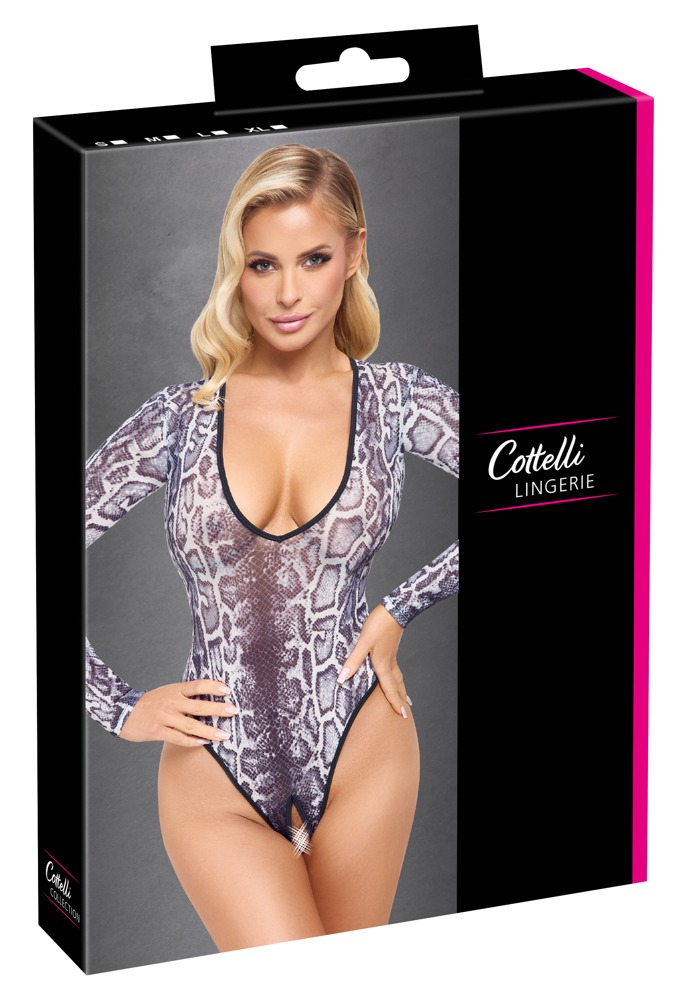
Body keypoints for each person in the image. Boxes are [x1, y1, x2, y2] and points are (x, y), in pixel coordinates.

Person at [85, 144, 458, 951]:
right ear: (238, 269)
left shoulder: (396, 401)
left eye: (314, 259)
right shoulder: (178, 420)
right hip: (216, 767)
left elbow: (546, 491)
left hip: (362, 740)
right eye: (263, 265)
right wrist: (116, 708)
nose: (288, 293)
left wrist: (401, 607)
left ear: (354, 254)